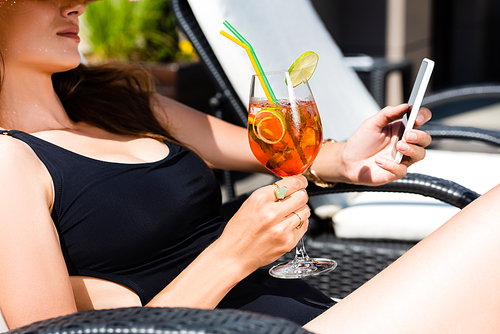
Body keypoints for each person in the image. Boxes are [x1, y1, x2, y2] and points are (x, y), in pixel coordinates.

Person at [3, 1, 499, 334]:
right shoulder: (10, 163)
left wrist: (347, 158)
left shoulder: (118, 102)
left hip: (316, 313)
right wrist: (232, 256)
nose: (79, 2)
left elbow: (269, 149)